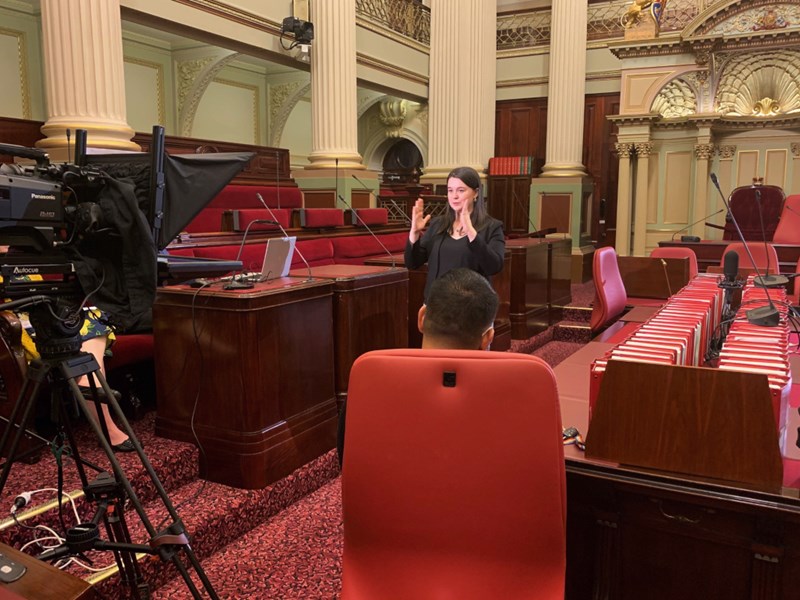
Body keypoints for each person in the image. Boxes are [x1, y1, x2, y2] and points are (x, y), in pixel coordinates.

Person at [337, 268, 499, 465]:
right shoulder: (511, 391)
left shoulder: (369, 383)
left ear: (422, 317)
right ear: (487, 338)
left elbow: (348, 463)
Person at [404, 166, 505, 303]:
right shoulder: (438, 225)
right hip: (436, 306)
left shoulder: (492, 227)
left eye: (461, 190)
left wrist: (470, 231)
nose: (454, 196)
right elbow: (413, 263)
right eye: (450, 190)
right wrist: (414, 233)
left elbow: (493, 266)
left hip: (472, 307)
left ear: (476, 193)